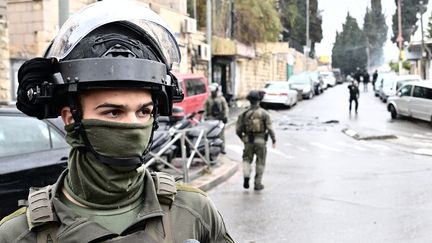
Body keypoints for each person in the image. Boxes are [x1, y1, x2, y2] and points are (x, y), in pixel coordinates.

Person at [0, 1, 234, 243]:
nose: (132, 125)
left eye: (144, 111)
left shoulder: (194, 213)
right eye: (113, 112)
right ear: (71, 118)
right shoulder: (18, 235)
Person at [235, 90, 276, 191]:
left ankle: (246, 177)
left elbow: (238, 130)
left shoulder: (244, 114)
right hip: (261, 141)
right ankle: (257, 184)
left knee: (247, 160)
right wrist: (274, 140)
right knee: (260, 162)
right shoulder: (264, 114)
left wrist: (243, 139)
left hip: (248, 142)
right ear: (259, 100)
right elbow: (270, 128)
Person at [204, 83, 229, 154]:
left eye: (213, 91)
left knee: (221, 134)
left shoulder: (221, 99)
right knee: (211, 134)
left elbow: (225, 108)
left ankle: (222, 148)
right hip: (211, 118)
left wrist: (225, 117)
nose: (212, 92)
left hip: (220, 119)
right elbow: (205, 109)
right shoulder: (208, 99)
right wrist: (205, 117)